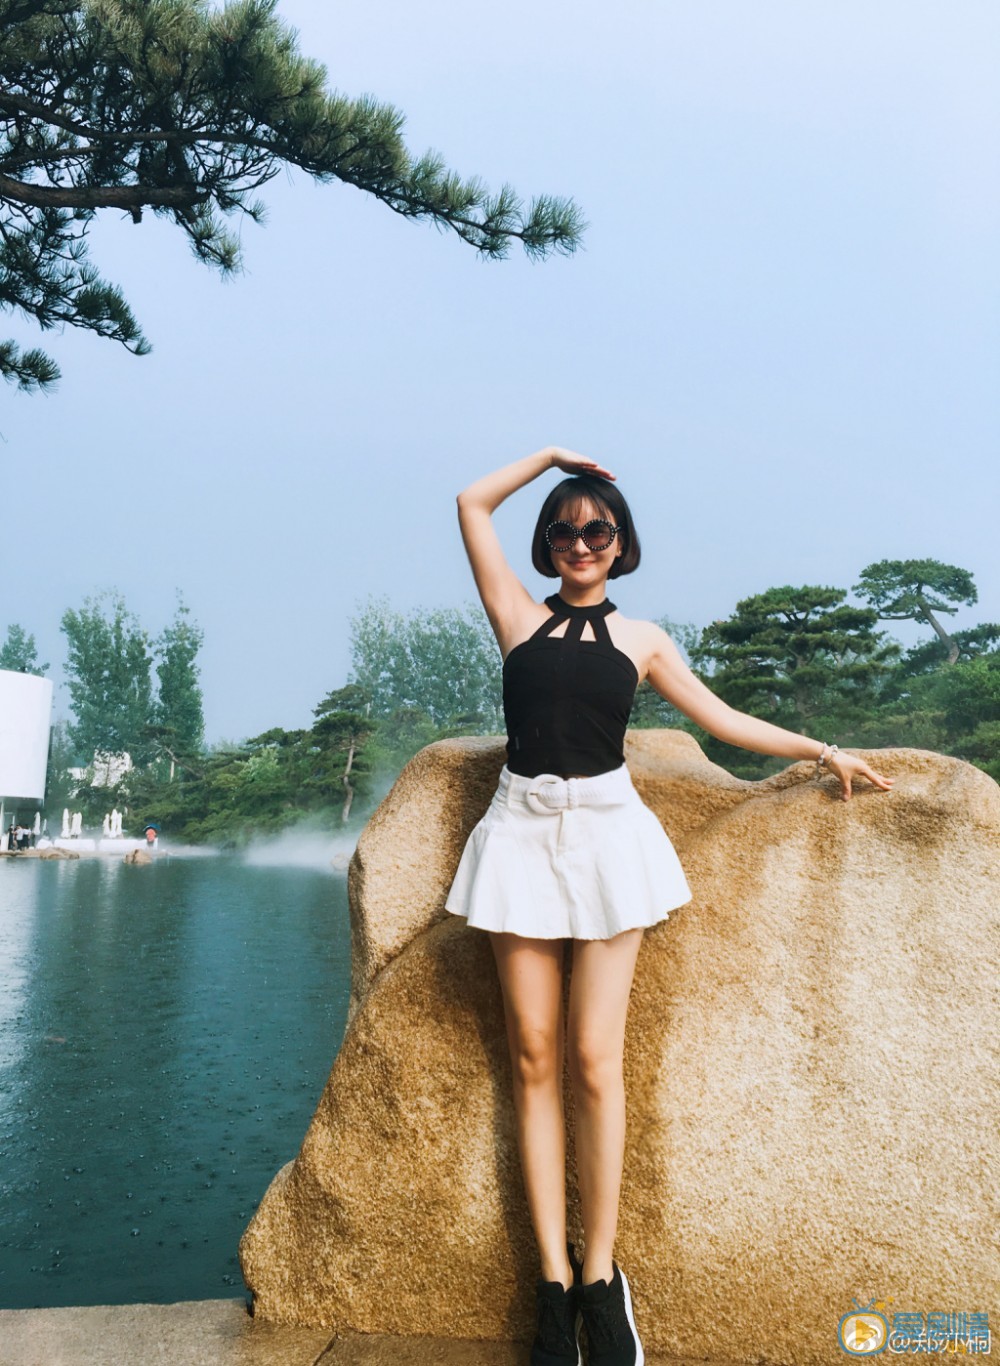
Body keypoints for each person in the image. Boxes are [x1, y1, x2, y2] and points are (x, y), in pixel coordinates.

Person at [445, 446, 894, 1366]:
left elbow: (723, 721)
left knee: (592, 1058)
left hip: (608, 837)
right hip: (521, 834)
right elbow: (470, 502)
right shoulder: (517, 618)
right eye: (565, 529)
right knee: (532, 1057)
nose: (580, 542)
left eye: (597, 529)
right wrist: (552, 458)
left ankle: (601, 1280)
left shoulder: (642, 640)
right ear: (547, 542)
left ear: (621, 544)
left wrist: (823, 751)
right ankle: (551, 1285)